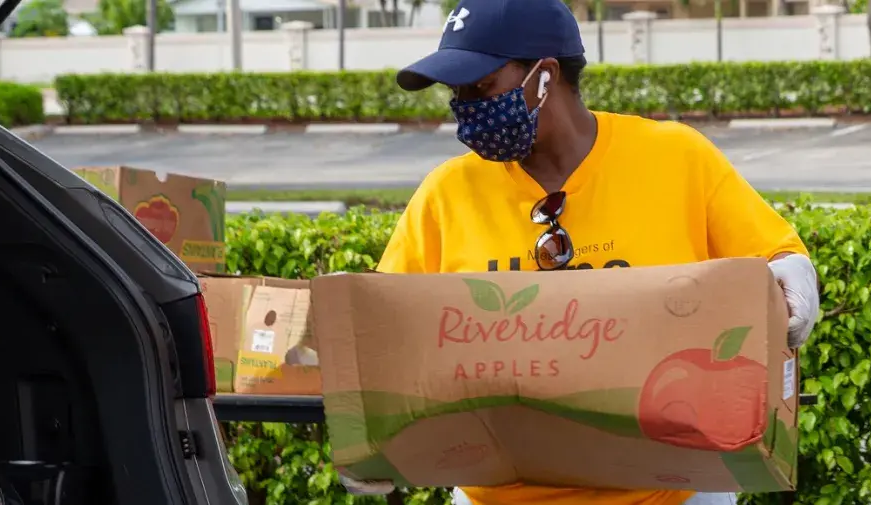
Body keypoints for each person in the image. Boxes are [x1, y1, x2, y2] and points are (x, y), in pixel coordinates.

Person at [341, 0, 822, 503]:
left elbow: (775, 256)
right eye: (455, 91)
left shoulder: (676, 159)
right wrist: (375, 437)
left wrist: (791, 277)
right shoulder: (446, 194)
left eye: (480, 86)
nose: (463, 105)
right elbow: (385, 336)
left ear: (545, 76)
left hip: (669, 494)